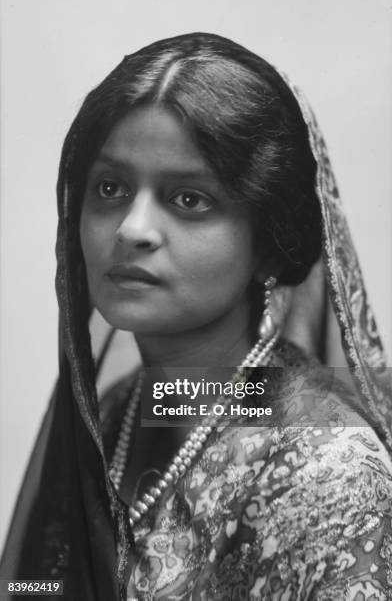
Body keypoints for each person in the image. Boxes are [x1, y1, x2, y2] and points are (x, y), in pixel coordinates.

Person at [1, 32, 392, 600]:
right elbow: (35, 584)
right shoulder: (121, 411)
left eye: (189, 199)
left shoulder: (329, 470)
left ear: (267, 242)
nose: (132, 230)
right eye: (109, 188)